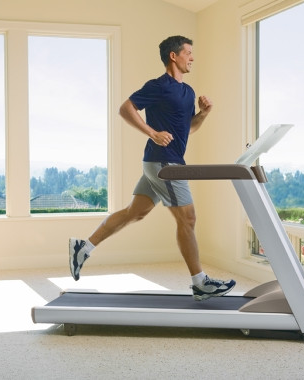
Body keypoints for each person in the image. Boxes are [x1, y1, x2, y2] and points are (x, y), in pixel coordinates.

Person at [69, 35, 235, 301]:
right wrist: (151, 132)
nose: (192, 57)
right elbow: (126, 108)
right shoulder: (158, 86)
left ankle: (83, 247)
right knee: (188, 219)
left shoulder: (188, 91)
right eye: (189, 52)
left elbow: (186, 129)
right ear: (174, 56)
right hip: (164, 162)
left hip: (161, 161)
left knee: (135, 212)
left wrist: (203, 114)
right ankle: (200, 283)